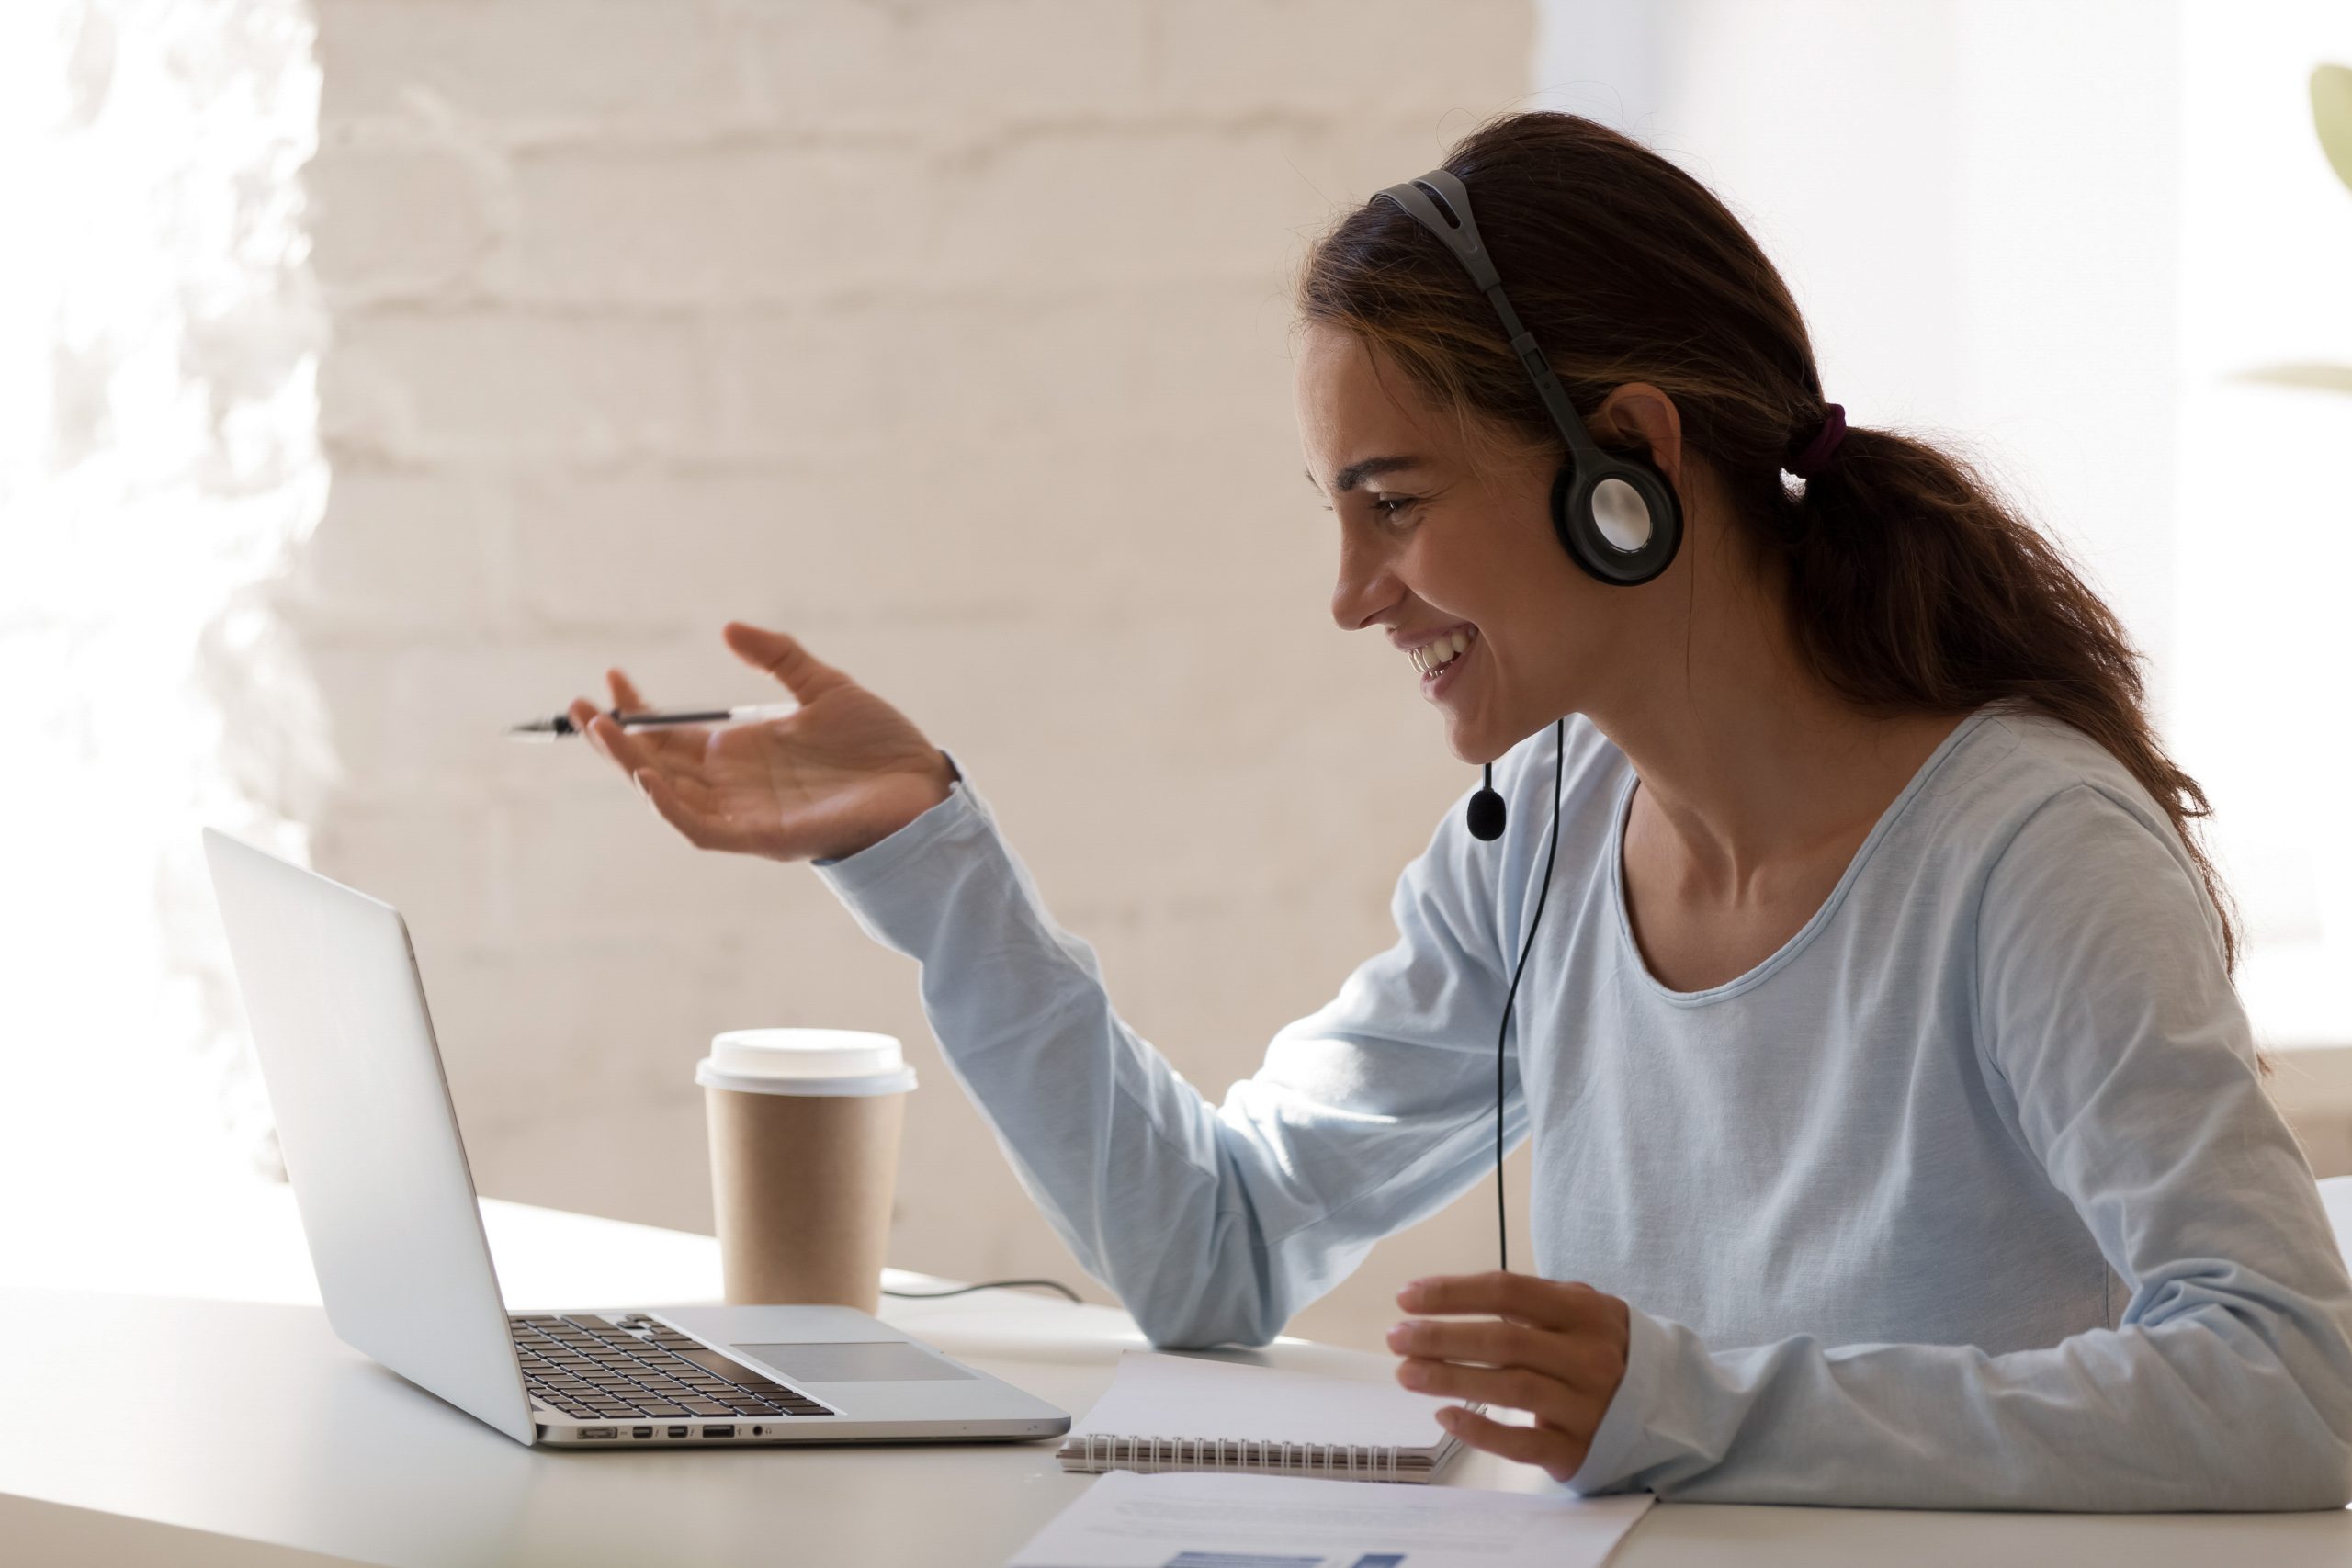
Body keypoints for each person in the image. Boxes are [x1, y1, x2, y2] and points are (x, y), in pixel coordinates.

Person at [566, 112, 2352, 1510]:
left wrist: (1690, 1399)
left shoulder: (2025, 860)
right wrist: (925, 851)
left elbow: (2288, 1379)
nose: (1351, 593)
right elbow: (1216, 1250)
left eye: (1394, 505)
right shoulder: (1548, 834)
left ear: (1628, 472)